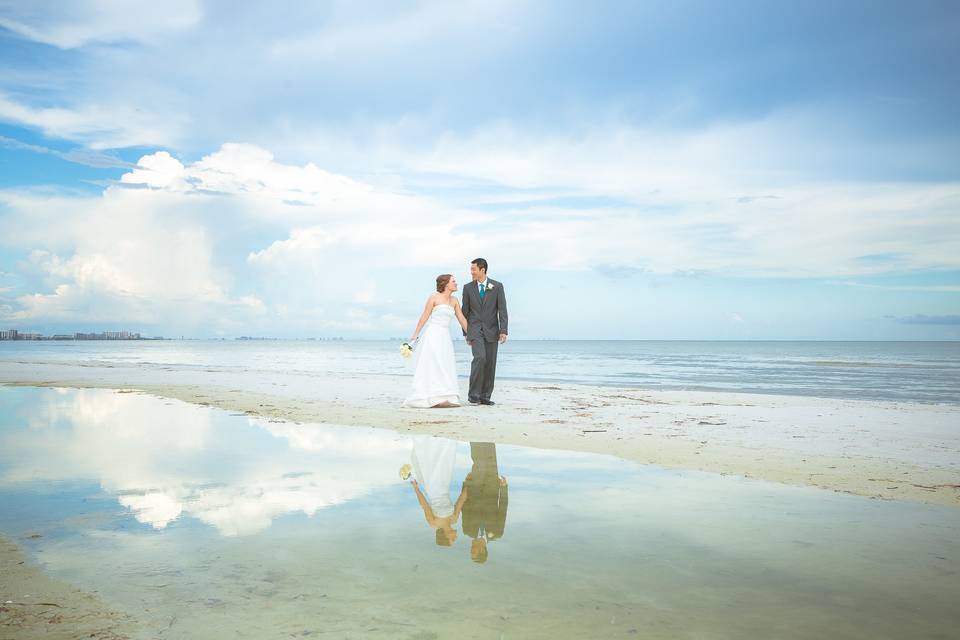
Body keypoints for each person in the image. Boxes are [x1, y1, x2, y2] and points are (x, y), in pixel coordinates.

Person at [402, 274, 469, 408]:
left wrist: (470, 335)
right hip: (433, 335)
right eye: (453, 281)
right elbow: (424, 317)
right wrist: (415, 335)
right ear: (445, 284)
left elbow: (462, 319)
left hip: (445, 336)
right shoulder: (434, 298)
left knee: (445, 364)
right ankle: (433, 396)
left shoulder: (454, 300)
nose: (456, 283)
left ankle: (446, 396)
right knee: (434, 364)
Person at [460, 258, 508, 405]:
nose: (471, 272)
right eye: (471, 269)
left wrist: (503, 330)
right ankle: (473, 395)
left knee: (490, 363)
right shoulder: (467, 288)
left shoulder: (497, 286)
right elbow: (464, 312)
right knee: (480, 358)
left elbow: (502, 310)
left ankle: (485, 396)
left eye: (473, 269)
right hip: (474, 330)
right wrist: (466, 333)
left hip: (492, 330)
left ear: (483, 270)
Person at [408, 436, 467, 546]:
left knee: (432, 466)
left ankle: (430, 442)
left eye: (452, 539)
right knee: (444, 464)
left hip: (432, 489)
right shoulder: (454, 519)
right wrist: (470, 485)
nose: (455, 538)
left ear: (445, 537)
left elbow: (424, 505)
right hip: (445, 487)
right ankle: (444, 440)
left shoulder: (433, 523)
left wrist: (416, 488)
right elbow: (461, 500)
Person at [461, 442, 508, 563]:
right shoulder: (497, 533)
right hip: (492, 487)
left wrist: (465, 484)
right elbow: (503, 509)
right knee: (490, 460)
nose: (471, 547)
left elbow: (464, 507)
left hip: (474, 487)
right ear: (482, 550)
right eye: (474, 550)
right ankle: (488, 437)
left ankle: (475, 438)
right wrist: (503, 488)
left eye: (471, 549)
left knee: (478, 462)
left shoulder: (467, 530)